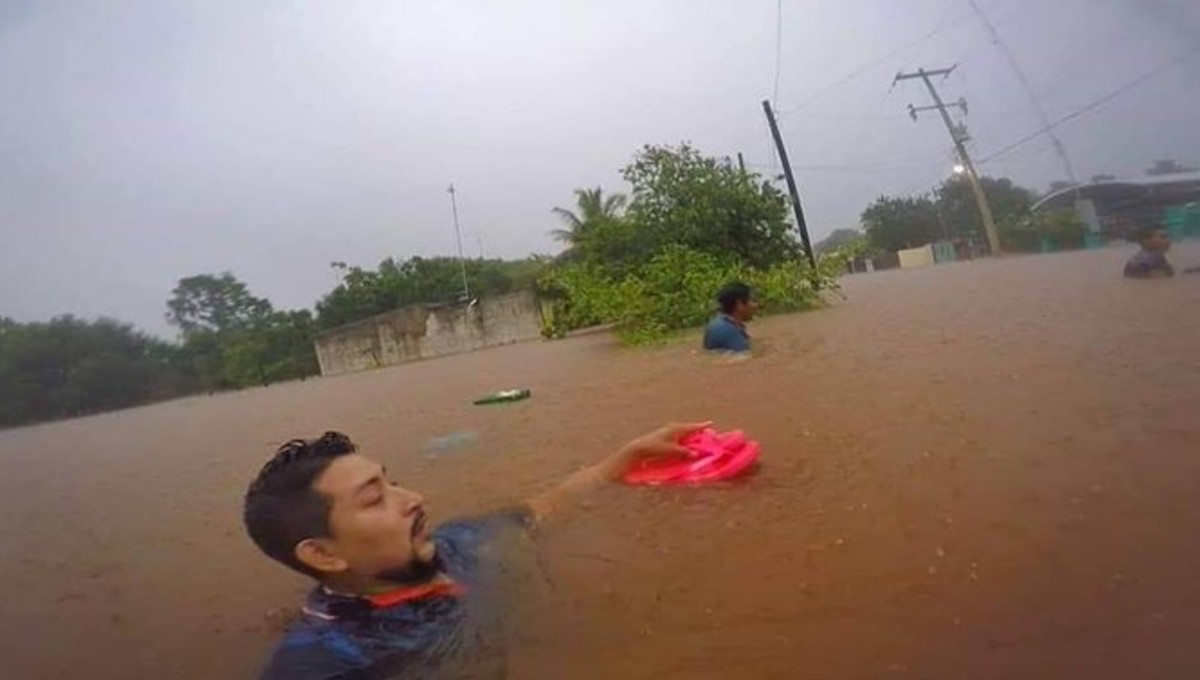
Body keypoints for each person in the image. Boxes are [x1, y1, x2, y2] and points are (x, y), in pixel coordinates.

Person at [244, 422, 709, 679]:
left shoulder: (456, 542)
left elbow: (540, 511)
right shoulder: (327, 660)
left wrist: (621, 460)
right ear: (323, 556)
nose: (414, 498)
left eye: (393, 481)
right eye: (374, 498)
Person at [702, 282, 757, 352]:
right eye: (752, 300)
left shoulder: (717, 324)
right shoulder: (728, 331)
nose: (755, 305)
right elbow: (745, 356)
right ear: (739, 304)